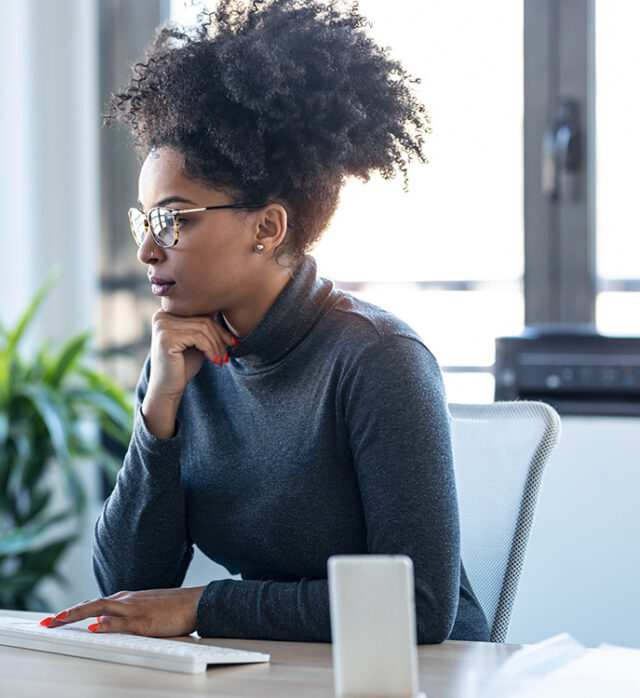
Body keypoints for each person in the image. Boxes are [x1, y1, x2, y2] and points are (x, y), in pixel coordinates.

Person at [41, 0, 489, 643]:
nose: (147, 250)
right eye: (145, 221)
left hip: (413, 680)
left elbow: (416, 608)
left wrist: (204, 607)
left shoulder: (378, 358)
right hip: (273, 674)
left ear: (267, 227)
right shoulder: (179, 357)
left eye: (174, 219)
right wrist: (159, 415)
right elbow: (126, 586)